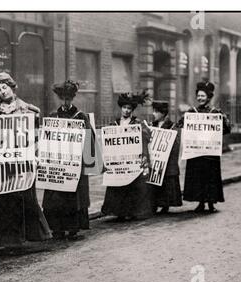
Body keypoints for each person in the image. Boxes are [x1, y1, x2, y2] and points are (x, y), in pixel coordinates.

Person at [0, 72, 52, 248]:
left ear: (12, 87)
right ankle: (7, 240)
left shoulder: (29, 111)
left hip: (23, 164)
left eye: (5, 87)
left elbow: (36, 137)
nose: (2, 92)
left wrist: (36, 155)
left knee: (23, 200)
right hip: (2, 165)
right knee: (2, 201)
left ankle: (26, 237)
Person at [42, 80, 93, 240]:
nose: (65, 102)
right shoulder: (53, 116)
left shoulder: (81, 117)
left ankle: (73, 227)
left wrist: (87, 162)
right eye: (63, 99)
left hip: (74, 164)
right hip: (57, 164)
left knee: (73, 198)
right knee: (56, 198)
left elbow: (88, 141)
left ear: (72, 99)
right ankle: (57, 228)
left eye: (68, 99)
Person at [179, 81, 231, 213]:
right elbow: (181, 125)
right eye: (198, 96)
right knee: (198, 177)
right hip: (196, 151)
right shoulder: (192, 112)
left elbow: (226, 129)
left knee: (210, 177)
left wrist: (218, 127)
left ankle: (211, 202)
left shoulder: (216, 113)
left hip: (210, 152)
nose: (200, 98)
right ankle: (200, 202)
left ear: (208, 97)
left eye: (203, 96)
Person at [101, 91, 153, 221]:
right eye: (124, 107)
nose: (126, 110)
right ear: (121, 108)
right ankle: (119, 211)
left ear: (132, 110)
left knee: (132, 185)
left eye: (129, 108)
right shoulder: (115, 124)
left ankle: (131, 211)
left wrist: (145, 132)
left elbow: (146, 138)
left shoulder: (137, 124)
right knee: (119, 185)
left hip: (132, 160)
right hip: (119, 160)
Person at [150, 100, 182, 214]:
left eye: (156, 112)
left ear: (163, 113)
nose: (154, 114)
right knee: (153, 181)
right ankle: (154, 203)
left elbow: (175, 144)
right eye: (153, 111)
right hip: (155, 158)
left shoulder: (172, 126)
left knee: (166, 181)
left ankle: (165, 204)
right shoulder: (152, 125)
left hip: (167, 160)